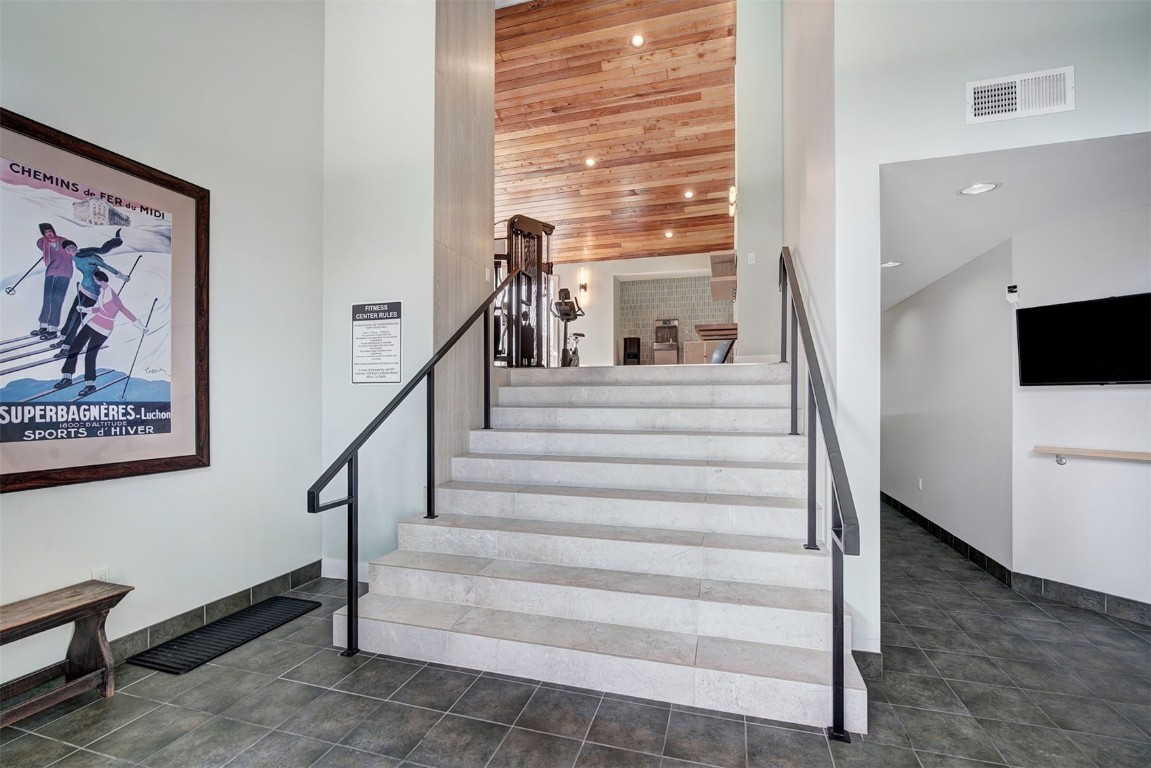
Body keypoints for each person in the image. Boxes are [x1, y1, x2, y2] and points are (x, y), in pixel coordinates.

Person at [54, 270, 143, 397]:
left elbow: (124, 310)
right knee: (75, 347)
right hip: (93, 323)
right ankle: (67, 377)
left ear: (98, 280)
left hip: (104, 328)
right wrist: (84, 309)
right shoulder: (102, 292)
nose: (94, 282)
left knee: (90, 354)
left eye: (94, 280)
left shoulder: (112, 295)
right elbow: (99, 309)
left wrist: (139, 325)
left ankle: (90, 385)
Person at [52, 229, 127, 358]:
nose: (71, 249)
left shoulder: (89, 257)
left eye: (72, 246)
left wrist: (121, 276)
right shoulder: (75, 258)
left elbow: (106, 266)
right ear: (67, 252)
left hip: (92, 292)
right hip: (82, 289)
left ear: (75, 247)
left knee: (77, 319)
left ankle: (67, 347)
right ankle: (63, 339)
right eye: (68, 248)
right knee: (72, 315)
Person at [30, 223, 72, 340]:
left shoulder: (63, 241)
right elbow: (40, 243)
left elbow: (73, 251)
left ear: (53, 230)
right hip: (51, 272)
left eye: (50, 231)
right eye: (45, 232)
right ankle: (43, 325)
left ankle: (52, 328)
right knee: (47, 298)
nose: (48, 233)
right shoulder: (43, 242)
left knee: (57, 300)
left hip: (64, 272)